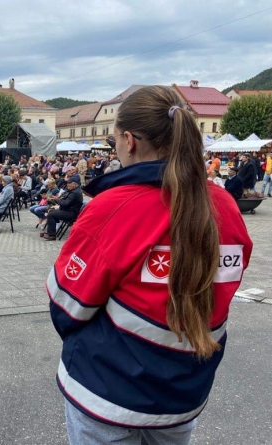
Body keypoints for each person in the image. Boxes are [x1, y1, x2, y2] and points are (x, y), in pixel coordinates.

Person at [48, 86, 252, 444]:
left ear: (128, 141)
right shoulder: (226, 207)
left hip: (107, 391)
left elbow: (68, 306)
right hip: (183, 392)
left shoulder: (114, 207)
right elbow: (223, 289)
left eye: (113, 143)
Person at [42, 174, 83, 241]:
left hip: (71, 213)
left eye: (69, 183)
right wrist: (57, 199)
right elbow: (64, 200)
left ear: (74, 184)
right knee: (51, 211)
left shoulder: (75, 193)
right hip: (67, 210)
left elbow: (65, 204)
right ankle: (51, 231)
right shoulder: (73, 190)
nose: (67, 185)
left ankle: (52, 235)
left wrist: (56, 199)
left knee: (51, 214)